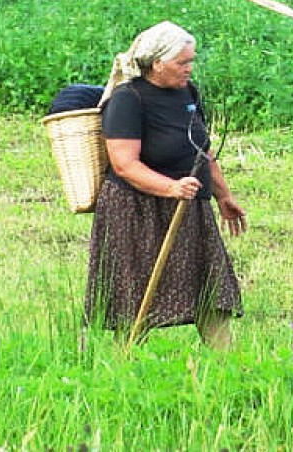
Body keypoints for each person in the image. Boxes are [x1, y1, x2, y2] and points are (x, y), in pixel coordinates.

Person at [86, 21, 248, 349]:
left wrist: (223, 195)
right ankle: (125, 366)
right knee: (137, 293)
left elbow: (203, 149)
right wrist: (170, 188)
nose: (190, 68)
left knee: (209, 286)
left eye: (191, 61)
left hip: (189, 205)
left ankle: (229, 368)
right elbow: (124, 164)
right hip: (137, 210)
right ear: (157, 64)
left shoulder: (188, 93)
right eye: (183, 63)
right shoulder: (127, 99)